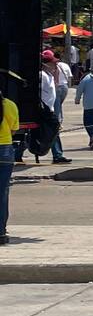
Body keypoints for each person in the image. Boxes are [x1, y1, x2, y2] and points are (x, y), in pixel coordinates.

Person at [39, 50, 70, 164]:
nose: (56, 65)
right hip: (44, 109)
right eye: (53, 63)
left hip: (50, 108)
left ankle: (58, 154)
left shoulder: (49, 75)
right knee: (51, 130)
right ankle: (57, 154)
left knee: (52, 131)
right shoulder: (42, 76)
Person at [0, 88, 19, 244]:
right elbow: (13, 129)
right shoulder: (10, 105)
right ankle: (1, 231)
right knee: (3, 191)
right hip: (5, 148)